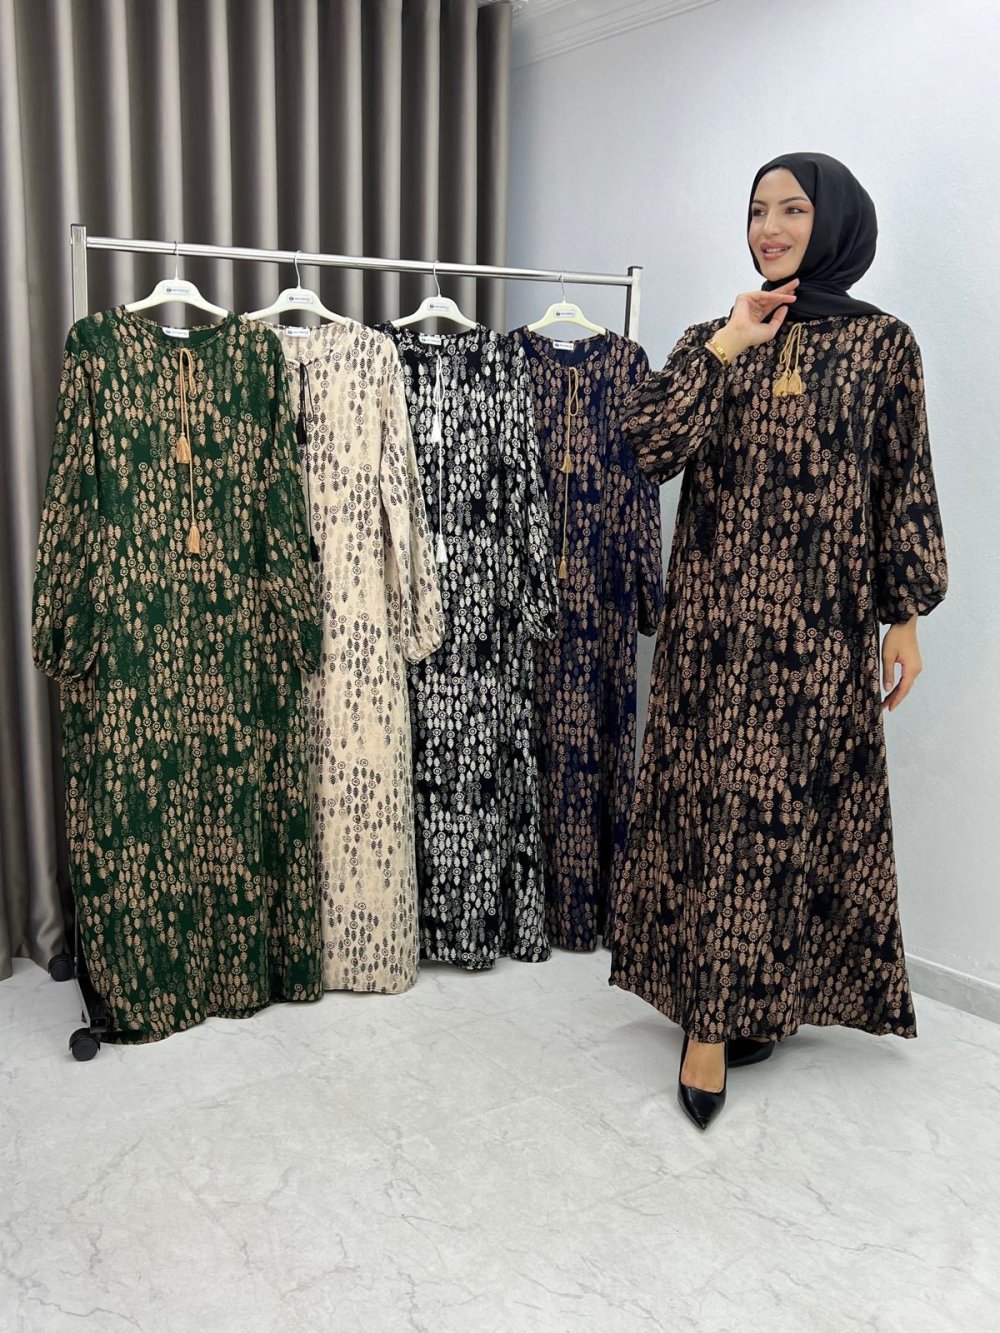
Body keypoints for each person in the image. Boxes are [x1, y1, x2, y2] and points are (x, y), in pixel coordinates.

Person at [608, 152, 948, 1130]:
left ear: (832, 221)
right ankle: (708, 1027)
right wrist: (725, 345)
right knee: (717, 817)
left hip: (818, 636)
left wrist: (904, 617)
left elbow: (901, 482)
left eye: (792, 209)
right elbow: (645, 446)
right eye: (757, 210)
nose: (770, 227)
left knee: (787, 821)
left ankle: (761, 998)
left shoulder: (883, 346)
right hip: (711, 636)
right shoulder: (711, 339)